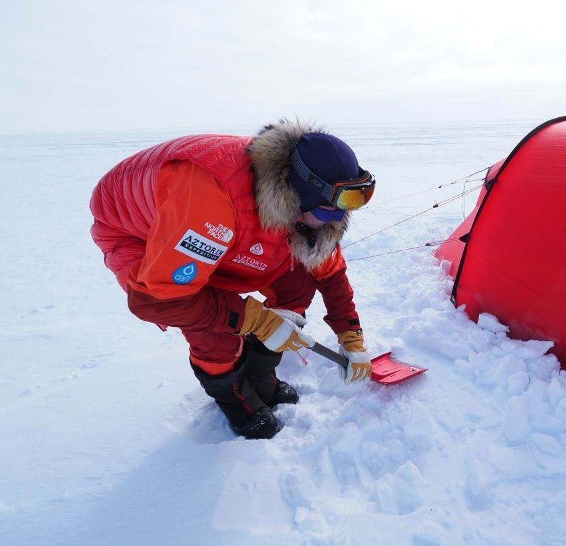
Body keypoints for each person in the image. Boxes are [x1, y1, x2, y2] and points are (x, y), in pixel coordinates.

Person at [90, 120, 376, 439]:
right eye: (326, 213)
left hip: (224, 225)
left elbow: (329, 270)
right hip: (139, 233)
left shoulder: (301, 208)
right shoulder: (212, 202)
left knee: (298, 280)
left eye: (345, 210)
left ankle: (259, 375)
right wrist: (255, 319)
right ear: (295, 197)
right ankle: (234, 399)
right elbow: (158, 300)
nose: (333, 221)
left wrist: (351, 335)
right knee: (213, 325)